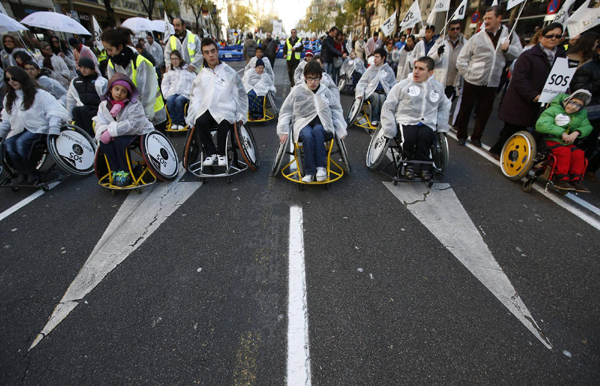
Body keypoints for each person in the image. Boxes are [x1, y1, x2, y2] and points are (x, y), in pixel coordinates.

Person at [488, 23, 566, 159]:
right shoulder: (528, 55)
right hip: (522, 100)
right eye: (550, 36)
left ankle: (520, 155)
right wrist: (533, 95)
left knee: (535, 130)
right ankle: (500, 151)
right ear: (541, 38)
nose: (553, 39)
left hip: (547, 100)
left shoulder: (562, 57)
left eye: (557, 36)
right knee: (512, 128)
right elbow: (519, 78)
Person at [455, 5, 522, 147]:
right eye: (485, 18)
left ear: (499, 18)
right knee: (466, 108)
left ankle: (477, 136)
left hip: (492, 80)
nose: (486, 21)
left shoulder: (509, 35)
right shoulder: (477, 37)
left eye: (489, 18)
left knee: (484, 111)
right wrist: (467, 74)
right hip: (473, 79)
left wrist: (508, 49)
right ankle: (461, 134)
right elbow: (462, 59)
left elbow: (518, 53)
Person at [381, 56, 451, 181]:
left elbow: (444, 107)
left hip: (427, 121)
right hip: (406, 119)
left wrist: (442, 126)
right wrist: (389, 127)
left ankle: (424, 166)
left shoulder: (437, 87)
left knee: (426, 138)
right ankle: (408, 164)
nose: (416, 71)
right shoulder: (402, 85)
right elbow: (388, 106)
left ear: (430, 73)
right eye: (415, 68)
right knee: (410, 137)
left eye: (421, 69)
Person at [277, 61, 347, 183]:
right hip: (302, 123)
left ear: (320, 77)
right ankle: (309, 172)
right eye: (310, 78)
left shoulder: (325, 91)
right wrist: (283, 130)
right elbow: (286, 111)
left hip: (322, 124)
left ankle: (321, 168)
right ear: (305, 77)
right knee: (308, 136)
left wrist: (340, 128)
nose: (313, 82)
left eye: (315, 78)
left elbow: (336, 110)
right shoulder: (297, 91)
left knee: (318, 130)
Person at [0, 66, 69, 183]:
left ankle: (32, 173)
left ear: (21, 78)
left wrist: (54, 127)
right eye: (8, 79)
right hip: (19, 129)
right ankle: (23, 171)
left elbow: (54, 111)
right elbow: (6, 119)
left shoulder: (39, 94)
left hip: (39, 128)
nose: (11, 81)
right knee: (9, 144)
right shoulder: (9, 98)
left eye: (14, 78)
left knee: (21, 143)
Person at [185, 38, 247, 167]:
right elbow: (196, 97)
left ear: (217, 51)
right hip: (208, 108)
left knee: (224, 122)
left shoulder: (229, 72)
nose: (210, 55)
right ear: (203, 54)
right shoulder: (201, 75)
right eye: (206, 52)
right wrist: (193, 116)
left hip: (226, 107)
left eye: (213, 51)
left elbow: (240, 94)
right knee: (199, 121)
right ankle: (211, 153)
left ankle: (221, 154)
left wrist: (241, 113)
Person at [93, 73, 154, 187]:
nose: (119, 93)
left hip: (137, 131)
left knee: (119, 141)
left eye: (123, 91)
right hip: (115, 132)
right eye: (116, 89)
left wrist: (112, 131)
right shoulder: (104, 105)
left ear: (128, 94)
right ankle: (116, 169)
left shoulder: (134, 105)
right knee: (104, 142)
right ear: (111, 89)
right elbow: (101, 121)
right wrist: (104, 131)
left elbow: (135, 124)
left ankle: (125, 171)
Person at [102, 27, 167, 131]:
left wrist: (144, 118)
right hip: (131, 116)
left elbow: (147, 93)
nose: (108, 53)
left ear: (119, 46)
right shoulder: (112, 64)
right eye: (106, 50)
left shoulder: (140, 62)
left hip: (153, 112)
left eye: (110, 49)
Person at [535, 90, 593, 192]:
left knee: (579, 153)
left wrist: (577, 133)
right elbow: (541, 125)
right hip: (550, 139)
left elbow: (587, 127)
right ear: (567, 100)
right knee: (564, 152)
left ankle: (575, 180)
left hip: (566, 142)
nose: (574, 107)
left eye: (579, 105)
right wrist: (562, 133)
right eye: (573, 103)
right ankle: (560, 178)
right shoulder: (554, 109)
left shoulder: (581, 114)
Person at [571, 45, 600, 181]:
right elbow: (579, 90)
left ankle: (582, 170)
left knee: (591, 145)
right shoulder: (588, 68)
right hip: (588, 112)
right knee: (580, 142)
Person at [66, 57, 107, 136]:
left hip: (96, 109)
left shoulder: (101, 81)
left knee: (84, 110)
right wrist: (69, 117)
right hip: (82, 107)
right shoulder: (75, 82)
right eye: (81, 67)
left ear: (92, 69)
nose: (83, 70)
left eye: (86, 68)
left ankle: (91, 135)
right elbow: (70, 99)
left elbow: (106, 97)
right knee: (76, 110)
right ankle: (82, 135)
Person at [355, 48, 397, 126]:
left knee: (382, 97)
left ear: (383, 58)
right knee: (376, 97)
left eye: (377, 57)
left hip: (383, 92)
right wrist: (360, 92)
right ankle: (375, 119)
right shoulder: (371, 68)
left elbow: (393, 84)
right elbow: (362, 82)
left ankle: (383, 118)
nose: (375, 59)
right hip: (370, 91)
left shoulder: (388, 70)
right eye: (374, 57)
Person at [429, 20, 468, 100]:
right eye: (453, 29)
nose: (455, 31)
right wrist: (438, 53)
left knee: (447, 104)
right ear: (448, 30)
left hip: (454, 81)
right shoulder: (440, 42)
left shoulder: (465, 43)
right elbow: (429, 60)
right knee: (435, 102)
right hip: (441, 79)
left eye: (457, 28)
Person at [161, 50, 196, 130]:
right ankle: (174, 121)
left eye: (176, 59)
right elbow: (165, 84)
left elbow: (193, 82)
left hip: (185, 93)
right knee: (170, 100)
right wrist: (166, 94)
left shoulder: (187, 69)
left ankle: (181, 121)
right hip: (173, 92)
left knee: (178, 100)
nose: (174, 61)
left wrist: (191, 93)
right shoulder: (170, 71)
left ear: (180, 59)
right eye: (172, 59)